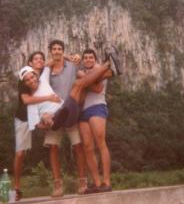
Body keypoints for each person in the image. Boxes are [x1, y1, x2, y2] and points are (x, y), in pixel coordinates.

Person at [20, 40, 122, 197]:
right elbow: (35, 123)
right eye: (28, 79)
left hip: (71, 110)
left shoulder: (53, 72)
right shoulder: (35, 92)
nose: (32, 79)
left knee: (80, 146)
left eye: (59, 49)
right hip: (57, 118)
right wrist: (44, 120)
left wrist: (69, 58)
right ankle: (110, 67)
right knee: (57, 148)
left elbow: (95, 85)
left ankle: (85, 182)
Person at [13, 51, 60, 201]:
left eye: (41, 59)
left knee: (52, 140)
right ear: (30, 63)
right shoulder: (25, 77)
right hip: (24, 118)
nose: (39, 61)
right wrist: (49, 97)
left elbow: (54, 60)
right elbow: (26, 100)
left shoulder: (43, 74)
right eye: (35, 59)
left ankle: (57, 184)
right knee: (20, 153)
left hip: (42, 112)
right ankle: (17, 188)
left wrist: (70, 57)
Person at [77, 49, 113, 193]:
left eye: (91, 57)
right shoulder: (83, 72)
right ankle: (97, 183)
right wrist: (86, 79)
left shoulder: (100, 70)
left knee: (100, 142)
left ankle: (106, 181)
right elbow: (83, 84)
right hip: (82, 111)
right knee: (87, 147)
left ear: (95, 59)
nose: (88, 59)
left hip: (97, 107)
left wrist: (85, 81)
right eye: (85, 58)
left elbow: (98, 89)